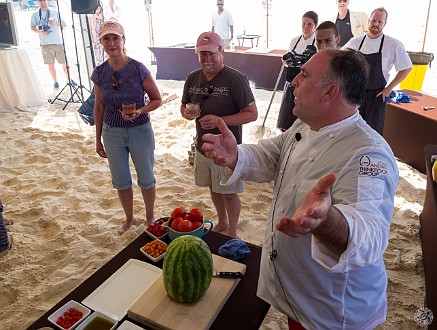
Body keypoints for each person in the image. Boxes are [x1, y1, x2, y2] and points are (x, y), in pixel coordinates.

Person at [202, 48, 399, 329]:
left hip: (331, 310)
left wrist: (327, 220)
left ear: (330, 92)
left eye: (304, 75)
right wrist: (237, 156)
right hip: (297, 292)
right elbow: (272, 156)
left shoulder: (369, 154)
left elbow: (371, 234)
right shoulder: (305, 125)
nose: (294, 81)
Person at [180, 31, 257, 238]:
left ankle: (232, 229)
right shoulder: (192, 78)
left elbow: (252, 114)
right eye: (202, 54)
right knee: (213, 188)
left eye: (211, 54)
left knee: (229, 193)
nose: (206, 59)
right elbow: (183, 106)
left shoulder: (235, 79)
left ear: (222, 52)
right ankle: (222, 220)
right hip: (203, 147)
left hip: (227, 150)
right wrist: (187, 114)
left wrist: (219, 121)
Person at [91, 21, 162, 234]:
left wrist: (140, 111)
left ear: (123, 40)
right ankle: (129, 219)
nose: (111, 43)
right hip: (112, 133)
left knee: (146, 177)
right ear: (101, 42)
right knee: (121, 180)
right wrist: (98, 139)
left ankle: (150, 217)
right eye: (106, 38)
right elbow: (98, 108)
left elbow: (157, 99)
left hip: (140, 130)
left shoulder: (138, 68)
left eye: (115, 38)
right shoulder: (99, 73)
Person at [343, 7, 412, 135]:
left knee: (372, 135)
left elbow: (407, 67)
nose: (376, 24)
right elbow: (339, 59)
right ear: (369, 21)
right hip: (355, 94)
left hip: (376, 97)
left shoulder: (393, 44)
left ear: (385, 24)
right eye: (373, 20)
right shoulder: (356, 42)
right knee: (350, 132)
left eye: (380, 22)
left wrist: (389, 89)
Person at [277, 11, 318, 132]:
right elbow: (286, 60)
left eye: (309, 24)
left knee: (302, 120)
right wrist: (286, 61)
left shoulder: (317, 42)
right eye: (303, 24)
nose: (305, 27)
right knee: (287, 118)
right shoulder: (294, 40)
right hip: (291, 82)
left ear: (315, 25)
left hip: (307, 84)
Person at [30, 0, 72, 90]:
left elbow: (64, 24)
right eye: (40, 1)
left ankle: (69, 79)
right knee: (51, 65)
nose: (43, 2)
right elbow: (32, 27)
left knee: (64, 63)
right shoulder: (35, 14)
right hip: (45, 44)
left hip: (58, 42)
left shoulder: (54, 12)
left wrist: (55, 23)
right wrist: (39, 32)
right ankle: (55, 82)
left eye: (44, 0)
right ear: (38, 2)